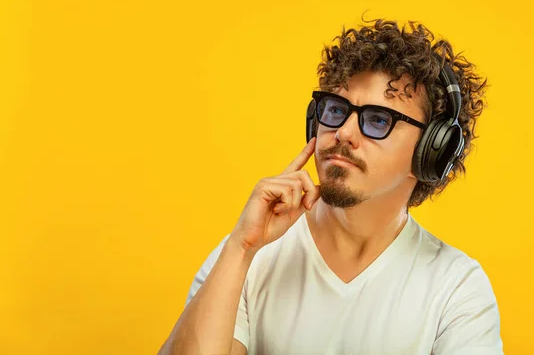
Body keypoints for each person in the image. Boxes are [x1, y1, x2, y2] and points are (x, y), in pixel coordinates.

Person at [157, 18, 503, 355]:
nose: (344, 133)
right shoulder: (248, 257)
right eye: (337, 110)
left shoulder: (456, 288)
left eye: (378, 119)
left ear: (431, 152)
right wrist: (241, 248)